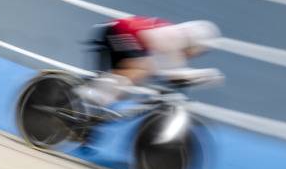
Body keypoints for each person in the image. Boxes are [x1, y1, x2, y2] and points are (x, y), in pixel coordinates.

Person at [77, 16, 221, 110]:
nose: (196, 55)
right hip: (118, 30)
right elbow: (171, 73)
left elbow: (172, 74)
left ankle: (92, 107)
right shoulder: (175, 38)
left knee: (128, 83)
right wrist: (203, 75)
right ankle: (93, 93)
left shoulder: (178, 45)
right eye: (200, 51)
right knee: (140, 68)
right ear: (195, 44)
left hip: (123, 34)